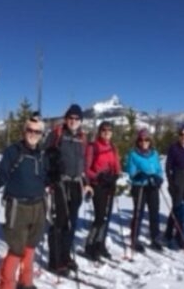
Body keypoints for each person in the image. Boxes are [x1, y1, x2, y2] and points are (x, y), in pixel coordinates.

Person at [0, 115, 48, 289]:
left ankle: (26, 282)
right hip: (17, 205)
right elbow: (3, 171)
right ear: (24, 131)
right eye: (30, 130)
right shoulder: (13, 151)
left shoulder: (42, 154)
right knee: (16, 247)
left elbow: (46, 177)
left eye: (37, 131)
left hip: (38, 204)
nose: (33, 134)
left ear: (41, 134)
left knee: (31, 244)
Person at [44, 104, 92, 276]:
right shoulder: (56, 134)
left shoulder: (83, 137)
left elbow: (84, 163)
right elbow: (45, 157)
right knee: (59, 222)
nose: (73, 121)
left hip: (76, 183)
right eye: (70, 118)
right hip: (60, 183)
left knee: (71, 222)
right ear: (66, 119)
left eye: (76, 119)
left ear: (80, 121)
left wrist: (86, 182)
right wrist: (50, 179)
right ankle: (55, 260)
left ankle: (65, 256)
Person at [84, 121, 121, 261]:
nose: (107, 133)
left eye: (109, 130)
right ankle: (90, 244)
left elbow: (116, 164)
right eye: (104, 130)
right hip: (97, 185)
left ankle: (100, 243)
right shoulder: (93, 147)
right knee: (100, 216)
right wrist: (98, 176)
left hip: (109, 184)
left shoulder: (112, 146)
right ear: (99, 132)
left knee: (106, 216)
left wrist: (116, 176)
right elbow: (87, 169)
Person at [125, 128, 164, 252]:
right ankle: (134, 238)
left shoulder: (154, 153)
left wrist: (159, 178)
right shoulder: (133, 154)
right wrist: (139, 174)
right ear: (138, 141)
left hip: (152, 185)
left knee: (154, 212)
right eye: (141, 139)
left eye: (146, 139)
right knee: (138, 212)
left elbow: (159, 169)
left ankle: (155, 237)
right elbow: (130, 171)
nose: (144, 142)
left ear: (150, 141)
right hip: (140, 186)